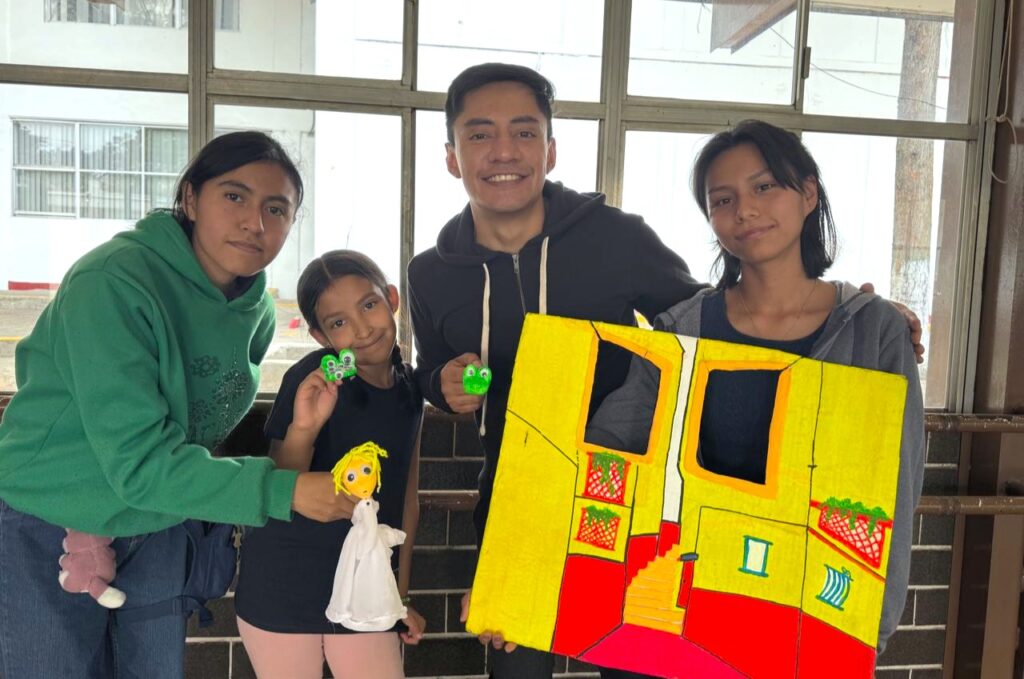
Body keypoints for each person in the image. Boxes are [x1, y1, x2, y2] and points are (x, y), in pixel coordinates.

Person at [408, 63, 924, 679]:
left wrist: (862, 314)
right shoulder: (429, 273)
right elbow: (427, 371)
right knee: (518, 667)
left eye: (523, 132)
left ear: (550, 148)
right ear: (451, 155)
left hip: (662, 516)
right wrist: (439, 384)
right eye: (479, 134)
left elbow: (721, 319)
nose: (503, 152)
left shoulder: (618, 239)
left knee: (642, 662)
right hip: (519, 500)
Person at [0, 131, 353, 679]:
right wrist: (283, 491)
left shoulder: (255, 309)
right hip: (53, 518)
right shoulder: (113, 282)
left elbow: (196, 433)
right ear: (190, 198)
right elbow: (140, 462)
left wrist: (300, 435)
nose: (255, 223)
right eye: (234, 196)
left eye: (276, 209)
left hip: (159, 520)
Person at [587, 119, 924, 655]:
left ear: (808, 194)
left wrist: (869, 633)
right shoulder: (684, 330)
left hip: (813, 615)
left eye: (764, 187)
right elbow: (612, 442)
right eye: (723, 200)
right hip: (693, 609)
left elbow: (895, 490)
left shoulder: (874, 332)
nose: (744, 210)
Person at [235, 250, 425, 679]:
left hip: (364, 593)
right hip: (283, 587)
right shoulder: (314, 378)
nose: (362, 328)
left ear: (392, 298)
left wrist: (399, 598)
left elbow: (406, 501)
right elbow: (282, 487)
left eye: (369, 305)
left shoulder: (410, 389)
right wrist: (305, 427)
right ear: (320, 336)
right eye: (339, 323)